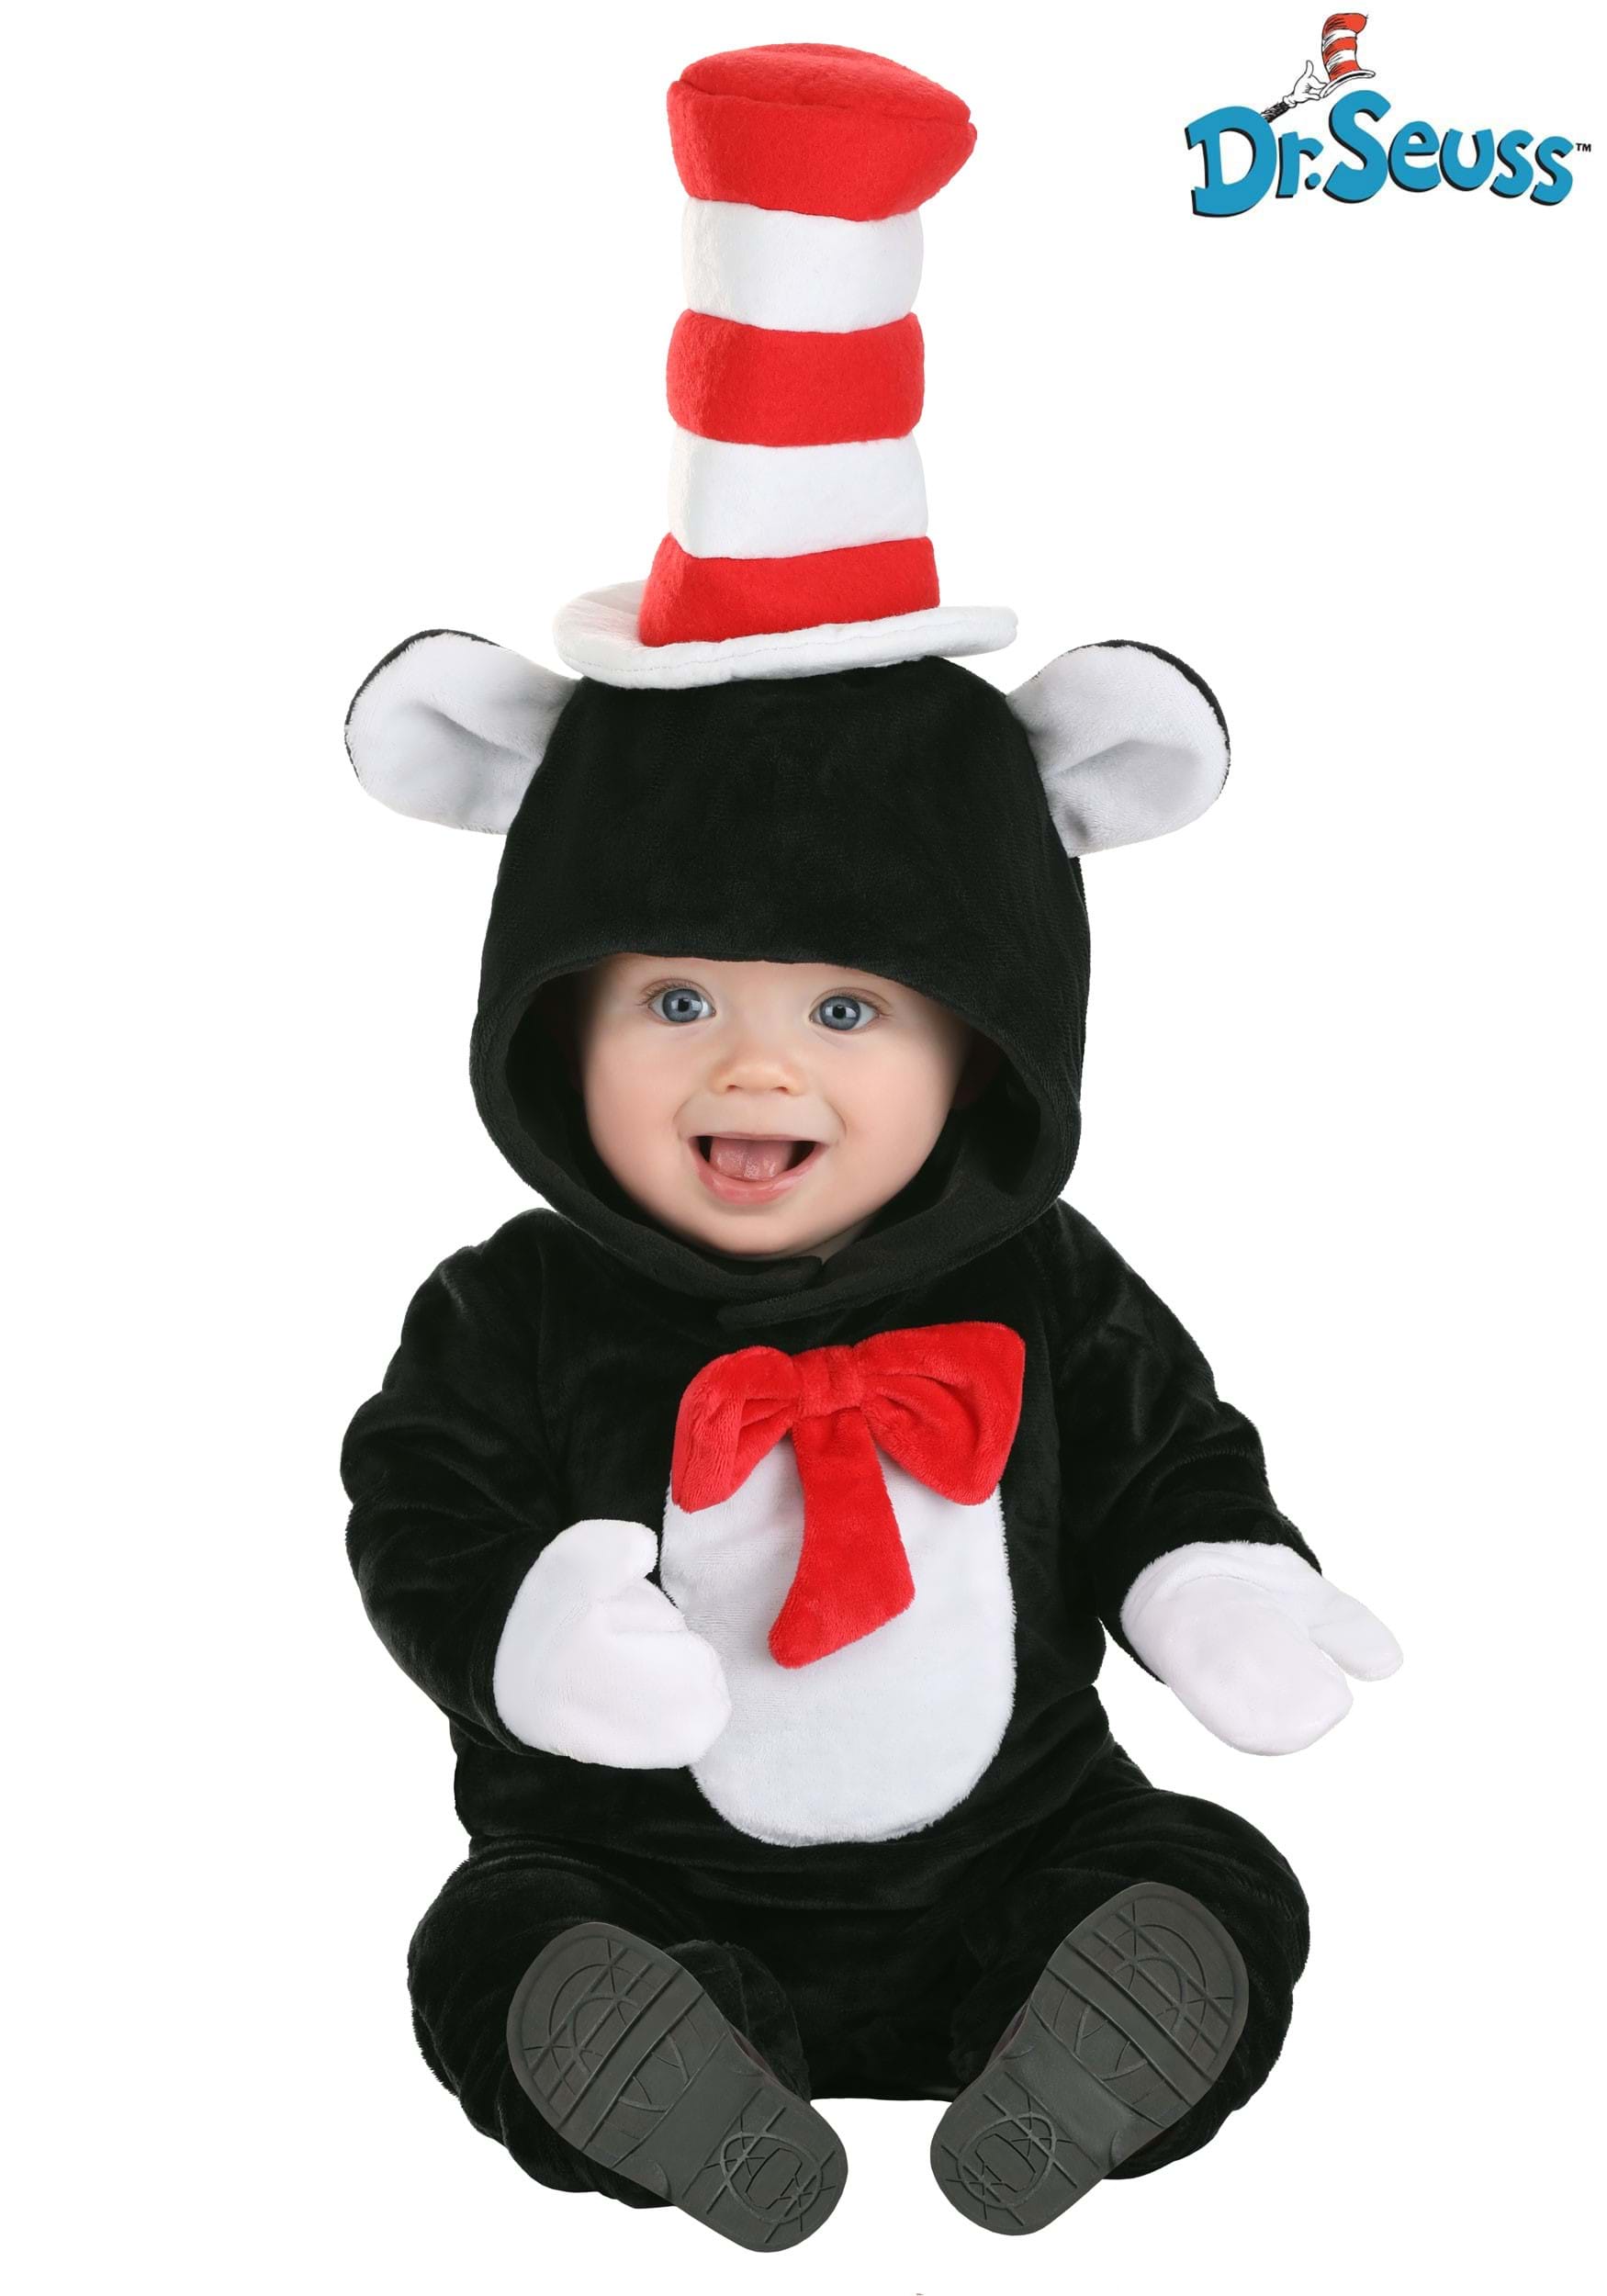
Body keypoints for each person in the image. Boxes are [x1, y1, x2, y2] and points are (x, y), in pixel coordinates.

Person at [341, 643, 1402, 2250]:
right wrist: (518, 1641)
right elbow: (422, 1510)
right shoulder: (514, 1307)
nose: (753, 1066)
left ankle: (1077, 2036)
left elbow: (1165, 1457)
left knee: (1202, 1876)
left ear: (978, 1044)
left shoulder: (1046, 1284)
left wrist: (1211, 1585)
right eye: (676, 1000)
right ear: (558, 1026)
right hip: (632, 1874)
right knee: (498, 1942)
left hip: (1018, 1851)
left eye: (846, 1008)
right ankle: (659, 2067)